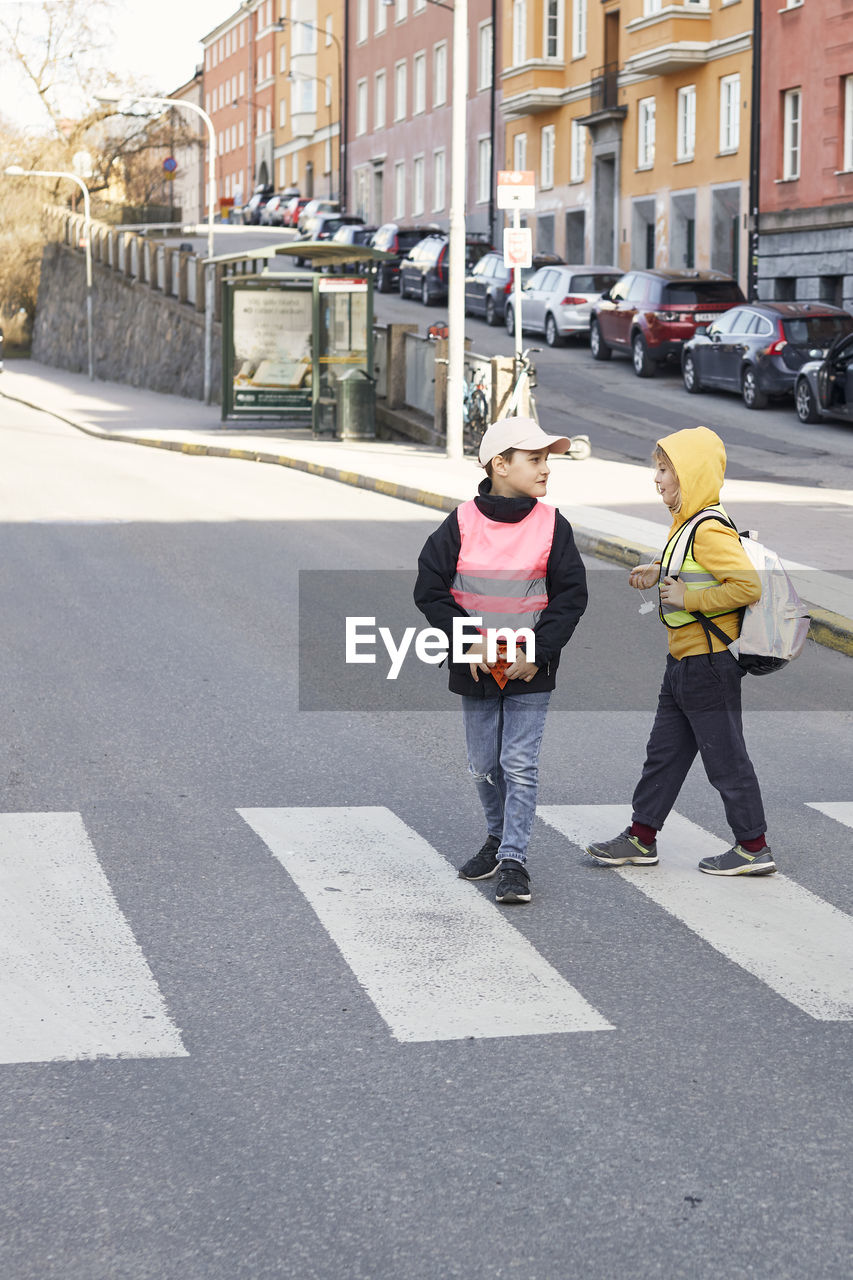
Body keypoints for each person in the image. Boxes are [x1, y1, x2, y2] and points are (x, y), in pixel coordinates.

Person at [586, 425, 776, 877]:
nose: (657, 478)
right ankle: (640, 838)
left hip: (709, 664)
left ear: (689, 475)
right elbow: (693, 571)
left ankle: (754, 847)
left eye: (665, 469)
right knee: (664, 755)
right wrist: (656, 572)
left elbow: (747, 585)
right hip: (685, 664)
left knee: (725, 758)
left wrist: (688, 599)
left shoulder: (708, 528)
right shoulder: (687, 524)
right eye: (658, 468)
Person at [414, 417, 588, 904]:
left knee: (519, 763)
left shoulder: (554, 525)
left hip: (530, 668)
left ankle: (514, 859)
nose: (546, 469)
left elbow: (570, 597)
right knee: (484, 764)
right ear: (500, 464)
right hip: (474, 665)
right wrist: (466, 639)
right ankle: (496, 838)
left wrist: (538, 650)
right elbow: (429, 588)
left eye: (547, 459)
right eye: (535, 459)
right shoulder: (461, 522)